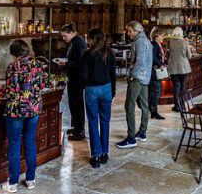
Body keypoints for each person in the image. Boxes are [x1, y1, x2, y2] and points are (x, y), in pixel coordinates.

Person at [0, 40, 48, 192]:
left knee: (14, 145)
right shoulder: (38, 65)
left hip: (16, 111)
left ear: (13, 54)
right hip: (33, 109)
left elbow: (10, 91)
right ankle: (31, 179)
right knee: (30, 143)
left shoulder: (13, 67)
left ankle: (13, 182)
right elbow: (42, 83)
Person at [81, 28, 116, 167]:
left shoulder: (87, 54)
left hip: (91, 89)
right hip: (106, 88)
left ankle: (95, 155)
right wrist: (113, 92)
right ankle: (105, 154)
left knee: (93, 121)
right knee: (105, 121)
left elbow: (83, 75)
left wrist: (85, 86)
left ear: (91, 39)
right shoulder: (110, 53)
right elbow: (113, 75)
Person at [116, 21, 151, 149]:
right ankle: (142, 132)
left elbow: (140, 61)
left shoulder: (140, 42)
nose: (128, 33)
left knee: (129, 106)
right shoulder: (147, 41)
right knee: (144, 105)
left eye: (130, 31)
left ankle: (131, 138)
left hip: (138, 78)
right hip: (145, 78)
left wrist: (132, 75)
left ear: (137, 31)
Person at [60, 23, 87, 141]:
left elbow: (81, 63)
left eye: (65, 36)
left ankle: (79, 130)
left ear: (71, 33)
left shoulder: (78, 43)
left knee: (77, 104)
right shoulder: (75, 42)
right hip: (74, 77)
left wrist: (66, 63)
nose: (63, 38)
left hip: (77, 78)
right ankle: (76, 126)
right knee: (74, 104)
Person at [167, 27, 191, 112]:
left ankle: (176, 106)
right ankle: (182, 105)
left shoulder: (170, 42)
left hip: (173, 66)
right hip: (183, 66)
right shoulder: (185, 42)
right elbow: (189, 55)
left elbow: (167, 55)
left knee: (176, 86)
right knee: (182, 85)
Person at [149, 28, 166, 120]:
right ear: (157, 36)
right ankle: (153, 110)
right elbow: (153, 57)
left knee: (157, 90)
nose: (163, 38)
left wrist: (165, 62)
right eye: (162, 36)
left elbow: (161, 56)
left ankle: (151, 108)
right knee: (157, 90)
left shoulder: (157, 45)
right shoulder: (154, 45)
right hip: (154, 72)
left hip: (157, 71)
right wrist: (159, 65)